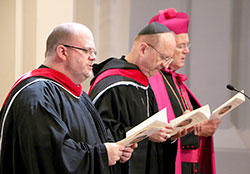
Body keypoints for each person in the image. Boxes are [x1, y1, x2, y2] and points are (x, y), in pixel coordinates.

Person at [0, 22, 136, 174]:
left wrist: (116, 151)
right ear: (62, 52)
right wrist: (103, 155)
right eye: (87, 50)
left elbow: (97, 139)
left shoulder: (80, 95)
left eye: (94, 52)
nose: (93, 57)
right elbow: (51, 156)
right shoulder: (36, 94)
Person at [88, 22, 178, 174]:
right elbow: (98, 132)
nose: (165, 66)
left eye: (168, 60)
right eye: (163, 57)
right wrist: (146, 134)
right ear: (143, 49)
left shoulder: (143, 83)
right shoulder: (112, 84)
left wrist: (167, 134)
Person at [148, 8, 221, 174]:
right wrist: (196, 131)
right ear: (165, 47)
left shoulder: (175, 80)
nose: (187, 51)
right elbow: (156, 133)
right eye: (181, 46)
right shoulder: (153, 80)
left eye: (187, 45)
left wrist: (204, 127)